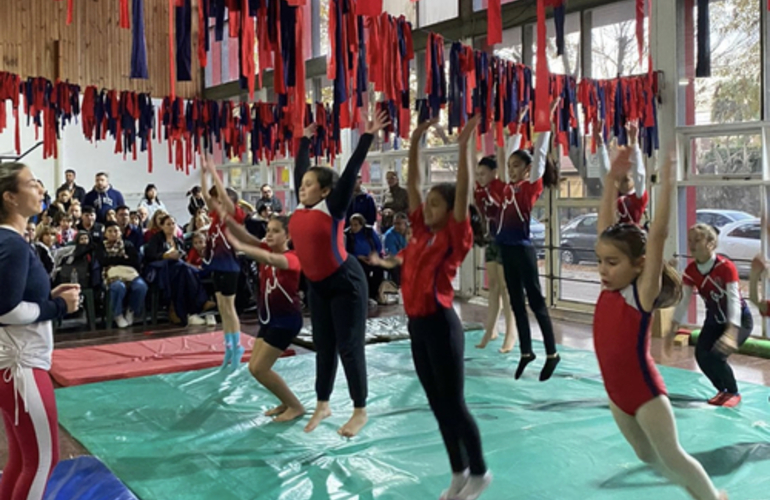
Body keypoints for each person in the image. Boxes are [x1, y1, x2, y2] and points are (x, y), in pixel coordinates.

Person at [369, 116, 491, 500]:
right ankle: (458, 472)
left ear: (452, 210)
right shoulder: (421, 230)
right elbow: (414, 185)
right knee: (437, 404)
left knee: (454, 402)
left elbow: (465, 190)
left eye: (438, 203)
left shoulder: (455, 235)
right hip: (417, 326)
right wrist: (416, 141)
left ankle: (480, 472)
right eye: (430, 204)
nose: (429, 207)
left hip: (442, 323)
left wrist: (463, 147)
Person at [594, 148, 726, 500]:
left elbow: (658, 235)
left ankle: (712, 497)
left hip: (645, 394)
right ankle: (696, 489)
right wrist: (609, 182)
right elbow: (606, 225)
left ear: (638, 265)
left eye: (612, 263)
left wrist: (667, 184)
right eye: (601, 262)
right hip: (616, 394)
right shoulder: (611, 286)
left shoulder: (640, 293)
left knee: (674, 456)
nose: (603, 270)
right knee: (646, 456)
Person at [289, 111, 389, 438]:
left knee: (348, 345)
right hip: (318, 285)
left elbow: (348, 172)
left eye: (308, 185)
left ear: (326, 190)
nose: (301, 187)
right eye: (301, 184)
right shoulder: (305, 205)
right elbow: (300, 169)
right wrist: (303, 139)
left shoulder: (334, 207)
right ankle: (323, 401)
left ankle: (360, 409)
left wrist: (368, 137)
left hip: (347, 282)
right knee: (324, 344)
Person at [0, 162, 80, 500]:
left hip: (14, 366)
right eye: (33, 184)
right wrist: (59, 307)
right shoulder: (12, 244)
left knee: (22, 459)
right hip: (22, 369)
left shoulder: (11, 241)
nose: (42, 189)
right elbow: (6, 309)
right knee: (43, 460)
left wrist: (48, 297)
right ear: (10, 197)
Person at [497, 100, 561, 381]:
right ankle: (526, 351)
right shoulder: (507, 186)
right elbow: (511, 152)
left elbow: (539, 154)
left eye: (516, 167)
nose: (511, 170)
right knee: (515, 302)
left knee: (536, 302)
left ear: (527, 170)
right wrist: (518, 123)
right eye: (509, 166)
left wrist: (543, 125)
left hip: (523, 250)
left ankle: (551, 352)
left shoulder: (529, 188)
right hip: (505, 249)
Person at [225, 215, 305, 422]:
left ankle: (296, 406)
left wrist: (239, 245)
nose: (269, 234)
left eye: (275, 231)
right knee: (254, 368)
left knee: (261, 368)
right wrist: (229, 222)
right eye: (267, 230)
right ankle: (286, 400)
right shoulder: (267, 249)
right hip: (269, 320)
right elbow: (248, 236)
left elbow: (269, 259)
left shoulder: (293, 258)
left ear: (288, 235)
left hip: (286, 322)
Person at [668, 224, 752, 407]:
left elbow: (734, 301)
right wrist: (673, 325)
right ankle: (721, 389)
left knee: (717, 355)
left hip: (739, 321)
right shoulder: (690, 272)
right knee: (701, 354)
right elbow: (684, 301)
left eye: (698, 240)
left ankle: (733, 391)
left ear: (711, 244)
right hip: (714, 320)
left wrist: (731, 332)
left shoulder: (726, 267)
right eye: (690, 240)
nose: (692, 245)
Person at [201, 156, 248, 368]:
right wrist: (204, 175)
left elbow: (221, 196)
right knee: (221, 307)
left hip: (230, 267)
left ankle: (237, 346)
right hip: (217, 266)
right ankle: (228, 345)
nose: (216, 203)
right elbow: (205, 196)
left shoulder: (234, 217)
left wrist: (214, 172)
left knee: (229, 308)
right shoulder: (215, 219)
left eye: (220, 200)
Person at [474, 149, 515, 353]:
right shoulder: (479, 191)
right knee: (494, 288)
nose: (479, 178)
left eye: (483, 174)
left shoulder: (502, 187)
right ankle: (491, 329)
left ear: (494, 173)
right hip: (492, 240)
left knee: (506, 289)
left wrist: (501, 148)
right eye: (477, 174)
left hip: (507, 241)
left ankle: (511, 333)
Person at [145, 215, 211, 326]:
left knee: (182, 276)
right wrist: (166, 256)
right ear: (162, 226)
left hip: (178, 270)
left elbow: (183, 256)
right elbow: (150, 256)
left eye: (173, 224)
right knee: (185, 269)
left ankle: (180, 312)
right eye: (168, 224)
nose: (171, 227)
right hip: (162, 270)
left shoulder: (178, 240)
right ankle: (200, 302)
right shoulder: (156, 239)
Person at [595, 120, 648, 226]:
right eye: (622, 177)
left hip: (632, 238)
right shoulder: (614, 194)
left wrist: (634, 143)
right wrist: (600, 142)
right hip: (615, 238)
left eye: (628, 177)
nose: (625, 177)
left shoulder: (638, 197)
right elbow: (606, 174)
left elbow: (639, 174)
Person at [99, 222, 147, 328]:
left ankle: (131, 310)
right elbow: (103, 261)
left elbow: (135, 261)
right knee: (118, 287)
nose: (113, 234)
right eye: (110, 231)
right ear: (105, 234)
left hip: (130, 273)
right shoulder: (101, 246)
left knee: (141, 286)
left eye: (116, 231)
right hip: (111, 275)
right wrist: (123, 259)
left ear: (120, 233)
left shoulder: (128, 244)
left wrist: (114, 261)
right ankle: (117, 314)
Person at [345, 213, 384, 304]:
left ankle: (373, 294)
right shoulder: (347, 234)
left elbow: (378, 245)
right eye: (352, 225)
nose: (353, 227)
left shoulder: (369, 231)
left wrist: (373, 255)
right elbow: (346, 251)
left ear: (361, 225)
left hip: (371, 257)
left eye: (356, 225)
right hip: (356, 259)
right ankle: (364, 295)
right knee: (363, 271)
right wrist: (358, 256)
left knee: (378, 270)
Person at [382, 212, 408, 285]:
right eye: (394, 223)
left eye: (399, 224)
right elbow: (394, 254)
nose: (396, 226)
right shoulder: (389, 235)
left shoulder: (412, 232)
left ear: (405, 224)